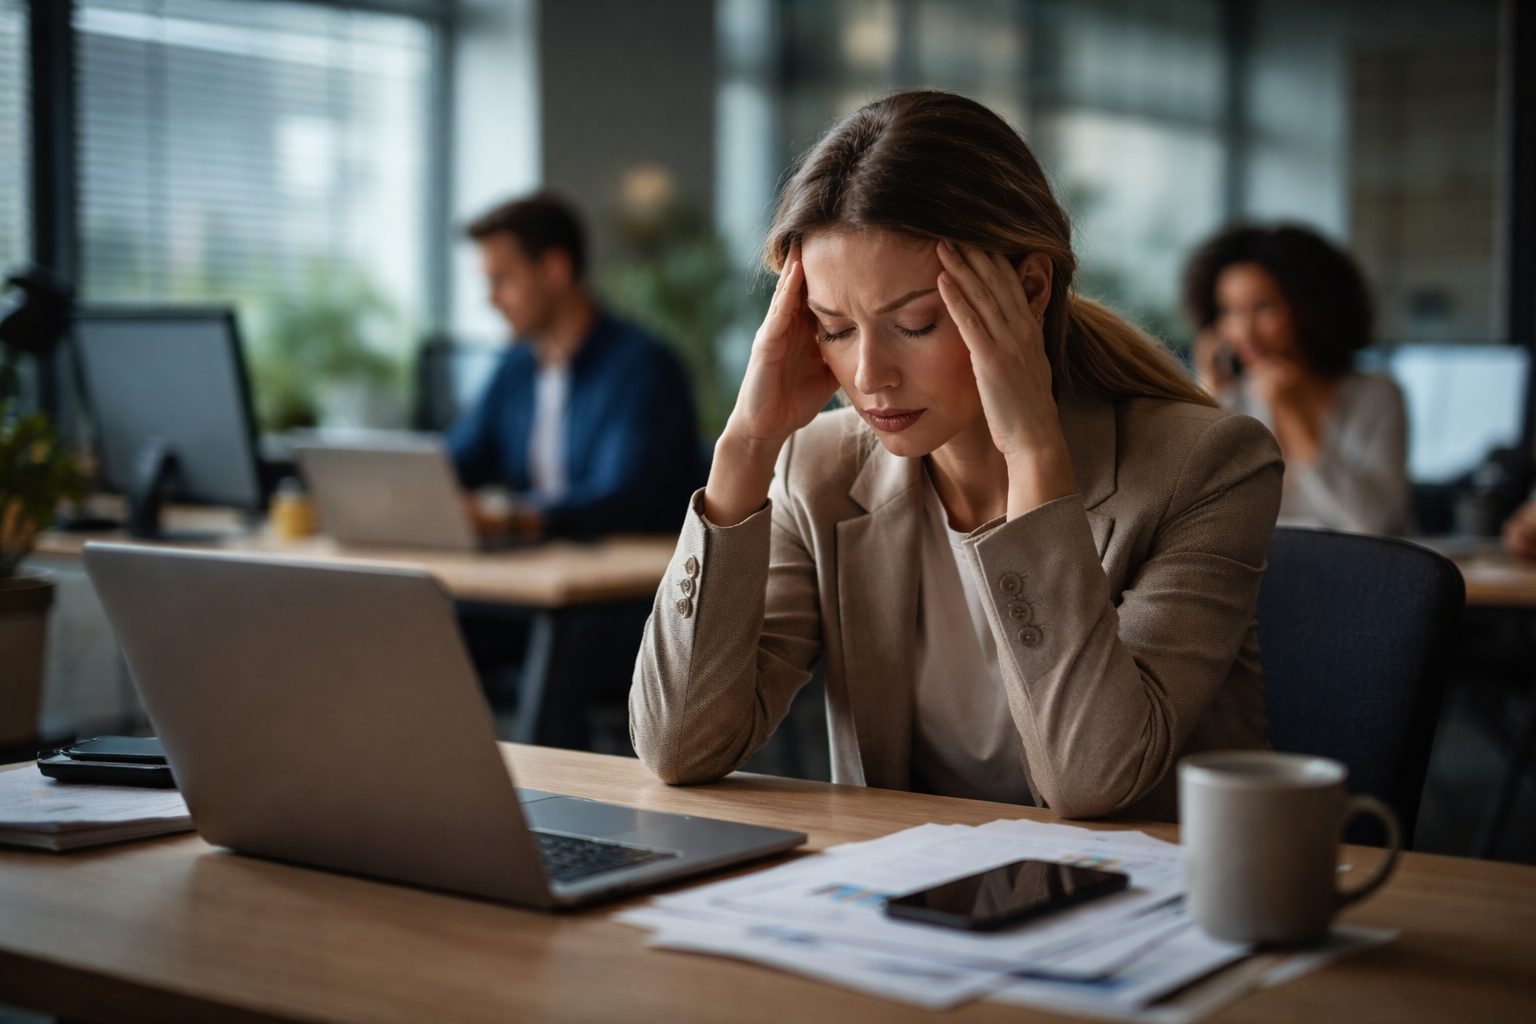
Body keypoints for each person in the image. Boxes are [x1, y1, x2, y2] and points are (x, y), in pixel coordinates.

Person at [628, 91, 1283, 821]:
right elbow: (678, 746)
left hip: (1141, 908)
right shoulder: (819, 469)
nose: (870, 375)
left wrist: (1034, 454)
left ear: (1030, 289)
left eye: (915, 323)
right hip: (904, 907)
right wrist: (746, 446)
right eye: (834, 329)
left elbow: (1091, 779)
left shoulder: (1208, 467)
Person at [449, 192, 704, 539]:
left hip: (629, 582)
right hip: (545, 573)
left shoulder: (644, 367)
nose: (491, 300)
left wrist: (510, 518)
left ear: (555, 270)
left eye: (502, 280)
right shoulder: (517, 367)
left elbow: (622, 499)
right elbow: (459, 462)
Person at [1183, 224, 1409, 536]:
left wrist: (1295, 417)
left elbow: (1373, 525)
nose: (1244, 331)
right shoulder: (1229, 398)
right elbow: (1183, 518)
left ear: (1310, 307)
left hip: (1352, 578)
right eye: (1230, 311)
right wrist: (1206, 398)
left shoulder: (1375, 396)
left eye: (1263, 307)